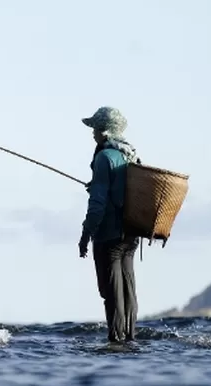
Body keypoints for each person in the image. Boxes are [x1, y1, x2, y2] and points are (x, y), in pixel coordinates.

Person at [77, 106, 141, 342]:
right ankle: (131, 339)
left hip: (109, 235)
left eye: (94, 128)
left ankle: (116, 341)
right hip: (131, 234)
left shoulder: (104, 157)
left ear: (104, 131)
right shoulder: (129, 154)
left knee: (111, 293)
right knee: (128, 289)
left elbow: (97, 205)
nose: (92, 133)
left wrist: (85, 235)